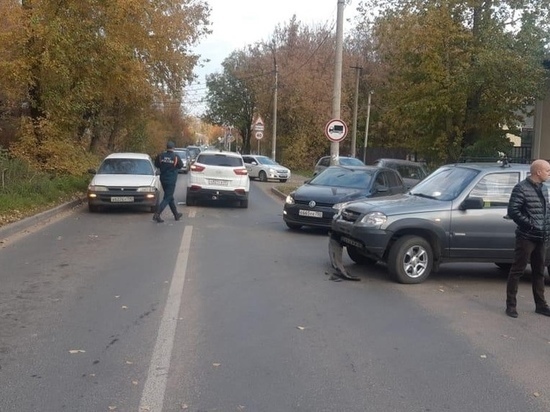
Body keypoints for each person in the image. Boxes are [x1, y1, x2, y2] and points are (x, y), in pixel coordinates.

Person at [505, 159, 550, 318]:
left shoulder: (544, 189)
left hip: (542, 237)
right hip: (526, 236)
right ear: (538, 172)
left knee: (539, 271)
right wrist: (530, 225)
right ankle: (511, 305)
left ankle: (541, 305)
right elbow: (513, 210)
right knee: (517, 270)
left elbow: (545, 211)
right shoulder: (521, 188)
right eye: (547, 171)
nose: (549, 174)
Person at [153, 141, 183, 223]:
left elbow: (156, 164)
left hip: (163, 179)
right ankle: (157, 214)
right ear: (173, 148)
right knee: (167, 197)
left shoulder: (161, 156)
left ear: (166, 147)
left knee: (169, 196)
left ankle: (176, 214)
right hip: (171, 180)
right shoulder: (175, 157)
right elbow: (181, 165)